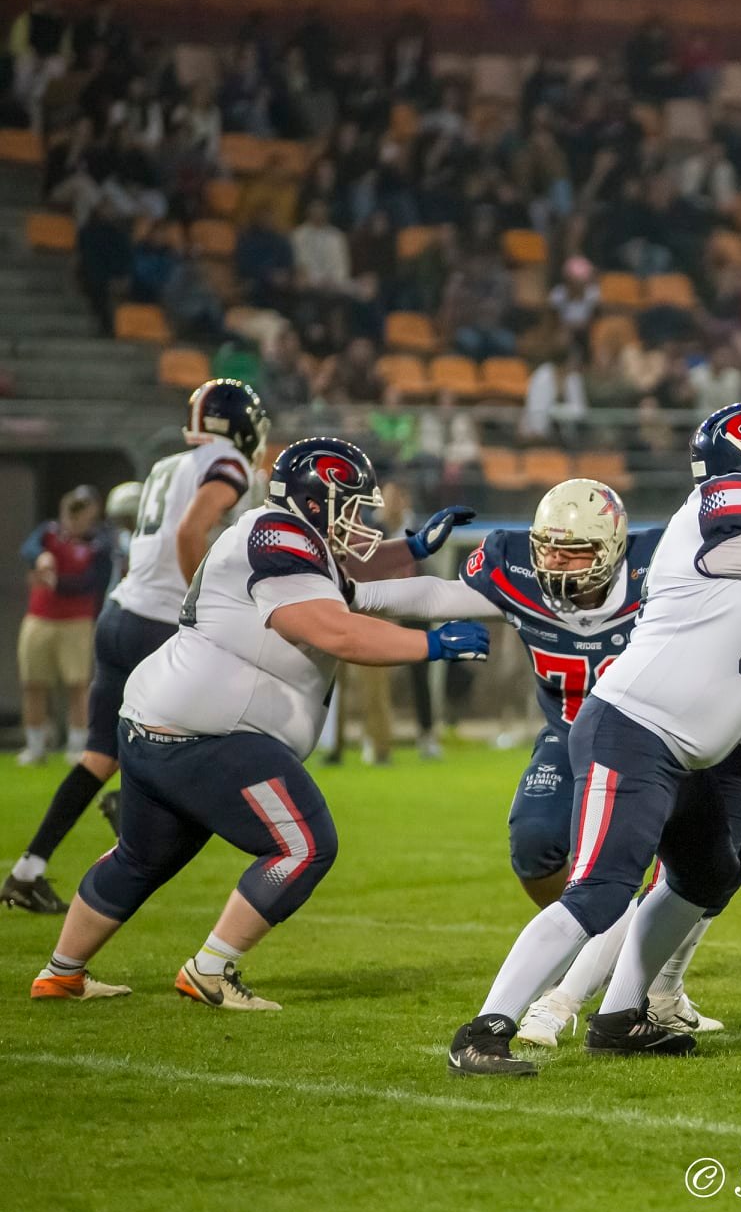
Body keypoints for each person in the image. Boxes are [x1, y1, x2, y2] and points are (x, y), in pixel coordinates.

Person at [448, 402, 741, 1076]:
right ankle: (483, 1029)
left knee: (710, 873)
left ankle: (623, 1017)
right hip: (633, 731)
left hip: (685, 752)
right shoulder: (725, 501)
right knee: (598, 891)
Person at [28, 438, 489, 1008]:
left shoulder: (286, 541)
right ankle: (211, 969)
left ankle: (61, 972)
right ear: (315, 502)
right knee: (304, 844)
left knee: (139, 858)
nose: (358, 520)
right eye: (348, 506)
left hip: (157, 724)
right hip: (208, 733)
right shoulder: (278, 537)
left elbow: (383, 591)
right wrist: (431, 647)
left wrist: (491, 589)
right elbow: (335, 629)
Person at [4, 382, 267, 915]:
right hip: (160, 622)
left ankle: (26, 871)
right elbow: (191, 531)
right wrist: (207, 602)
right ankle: (134, 812)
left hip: (118, 614)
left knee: (100, 755)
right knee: (218, 732)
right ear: (238, 424)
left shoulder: (170, 464)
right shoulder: (229, 464)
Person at [16, 487, 110, 767]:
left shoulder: (100, 543)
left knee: (77, 685)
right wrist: (40, 559)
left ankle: (77, 746)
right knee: (33, 683)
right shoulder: (49, 533)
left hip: (76, 621)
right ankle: (34, 747)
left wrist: (58, 584)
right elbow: (29, 548)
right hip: (40, 617)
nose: (76, 518)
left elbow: (95, 581)